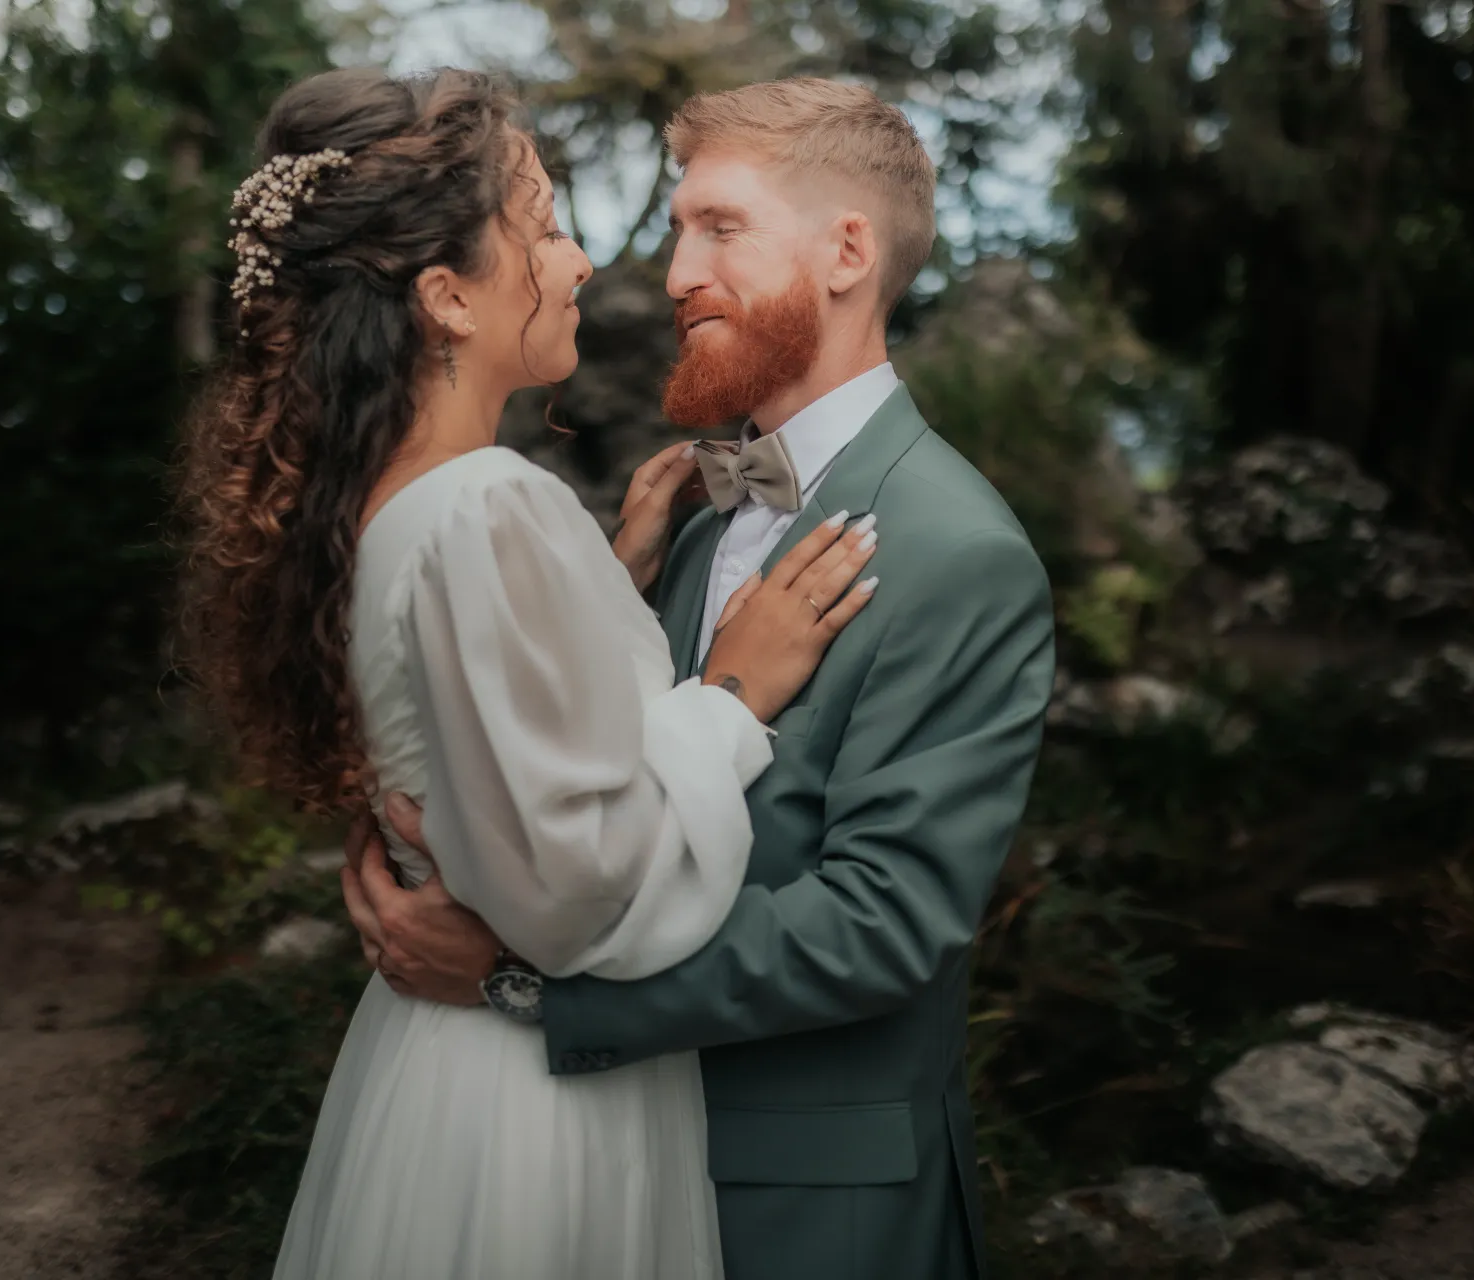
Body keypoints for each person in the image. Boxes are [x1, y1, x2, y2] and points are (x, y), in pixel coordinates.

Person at [343, 77, 1056, 1280]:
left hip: (802, 1200)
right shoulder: (682, 521)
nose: (674, 274)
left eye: (719, 228)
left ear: (845, 251)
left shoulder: (959, 549)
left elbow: (884, 923)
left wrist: (523, 983)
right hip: (600, 1174)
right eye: (678, 230)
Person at [174, 67, 881, 1280]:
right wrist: (728, 697)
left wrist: (600, 584)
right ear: (448, 296)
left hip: (423, 1073)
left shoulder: (381, 510)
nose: (585, 258)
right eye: (545, 226)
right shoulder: (489, 508)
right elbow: (585, 890)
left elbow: (482, 736)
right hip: (533, 1107)